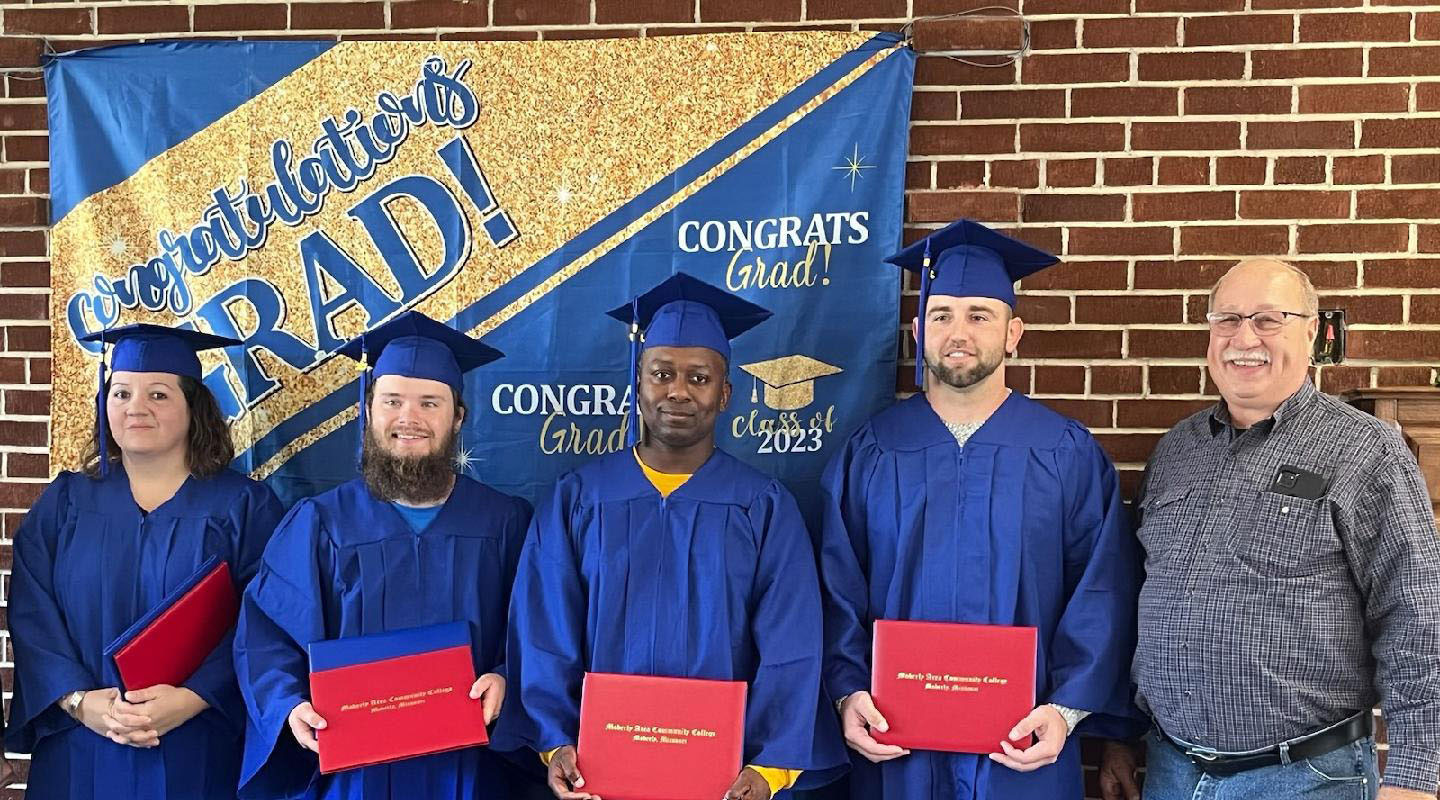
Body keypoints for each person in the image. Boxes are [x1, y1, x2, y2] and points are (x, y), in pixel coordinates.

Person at [819, 219, 1142, 800]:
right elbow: (838, 588)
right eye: (940, 315)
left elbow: (1102, 590)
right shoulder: (873, 450)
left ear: (1013, 333)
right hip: (896, 745)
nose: (957, 332)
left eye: (979, 315)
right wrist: (846, 694)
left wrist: (1067, 712)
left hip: (1021, 747)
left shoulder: (1063, 452)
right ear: (918, 333)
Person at [1099, 258, 1440, 800]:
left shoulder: (1366, 452)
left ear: (1312, 333)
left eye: (1268, 319)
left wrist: (1416, 774)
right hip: (1171, 769)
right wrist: (1121, 739)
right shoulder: (1177, 451)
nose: (1244, 338)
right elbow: (1142, 600)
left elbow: (1418, 615)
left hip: (1305, 778)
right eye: (1227, 319)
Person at [501, 272, 847, 800]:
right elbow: (545, 627)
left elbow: (791, 643)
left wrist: (769, 768)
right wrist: (558, 744)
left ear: (726, 393)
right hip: (600, 774)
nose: (678, 391)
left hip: (722, 779)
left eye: (699, 377)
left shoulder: (762, 506)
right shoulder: (580, 499)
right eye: (661, 374)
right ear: (638, 385)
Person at [233, 311, 535, 799]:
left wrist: (505, 678)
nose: (408, 418)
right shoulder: (319, 523)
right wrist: (289, 705)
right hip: (351, 775)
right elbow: (267, 635)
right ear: (368, 410)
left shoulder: (504, 523)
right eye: (392, 400)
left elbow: (538, 632)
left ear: (458, 416)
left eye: (429, 403)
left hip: (471, 772)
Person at [4, 324, 285, 799]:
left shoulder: (244, 508)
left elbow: (266, 619)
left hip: (198, 743)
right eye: (121, 392)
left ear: (193, 409)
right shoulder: (66, 503)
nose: (136, 407)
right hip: (83, 744)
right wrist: (78, 701)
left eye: (158, 394)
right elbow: (32, 615)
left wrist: (195, 697)